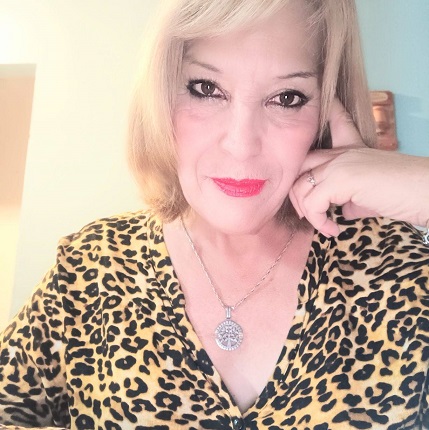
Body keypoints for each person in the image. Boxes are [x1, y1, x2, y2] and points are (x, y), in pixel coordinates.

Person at [0, 0, 428, 428]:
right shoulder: (93, 265)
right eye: (206, 88)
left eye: (287, 98)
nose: (241, 145)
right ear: (161, 96)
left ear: (325, 113)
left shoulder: (399, 267)